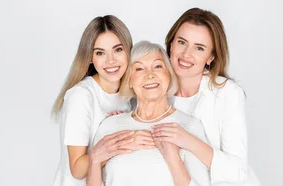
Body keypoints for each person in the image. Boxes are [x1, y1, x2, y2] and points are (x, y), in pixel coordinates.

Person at [152, 7, 261, 185]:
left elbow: (237, 170)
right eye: (181, 42)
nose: (186, 54)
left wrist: (187, 140)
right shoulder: (153, 88)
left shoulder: (228, 93)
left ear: (210, 57)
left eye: (199, 48)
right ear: (171, 44)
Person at [87, 41, 209, 186]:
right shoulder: (110, 125)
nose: (149, 75)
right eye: (139, 69)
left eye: (157, 66)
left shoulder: (189, 126)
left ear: (169, 75)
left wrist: (172, 157)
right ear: (129, 80)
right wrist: (94, 160)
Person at [52, 15, 152, 186]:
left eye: (118, 50)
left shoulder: (131, 96)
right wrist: (122, 142)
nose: (110, 60)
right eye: (100, 53)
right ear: (90, 57)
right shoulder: (81, 96)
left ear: (128, 51)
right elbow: (77, 169)